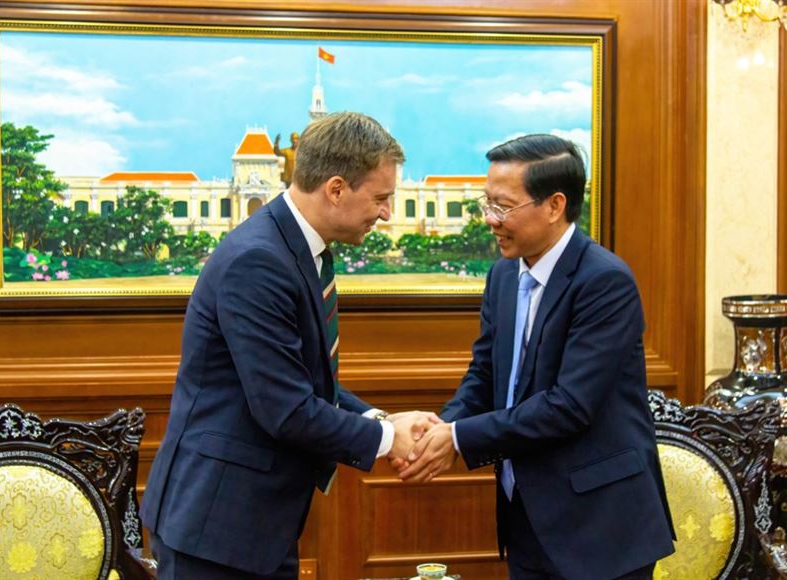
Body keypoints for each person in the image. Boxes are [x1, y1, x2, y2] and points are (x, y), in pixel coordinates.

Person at [141, 112, 438, 579]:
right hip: (216, 527)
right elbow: (286, 408)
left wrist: (379, 419)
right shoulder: (259, 260)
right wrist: (387, 439)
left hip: (253, 524)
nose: (386, 214)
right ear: (336, 189)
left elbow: (300, 379)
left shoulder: (293, 246)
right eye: (381, 198)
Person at [397, 134, 675, 579]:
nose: (490, 219)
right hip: (526, 517)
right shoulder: (503, 276)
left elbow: (569, 406)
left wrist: (459, 438)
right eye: (487, 203)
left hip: (601, 526)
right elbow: (485, 374)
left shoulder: (604, 282)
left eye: (503, 206)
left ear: (554, 206)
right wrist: (443, 427)